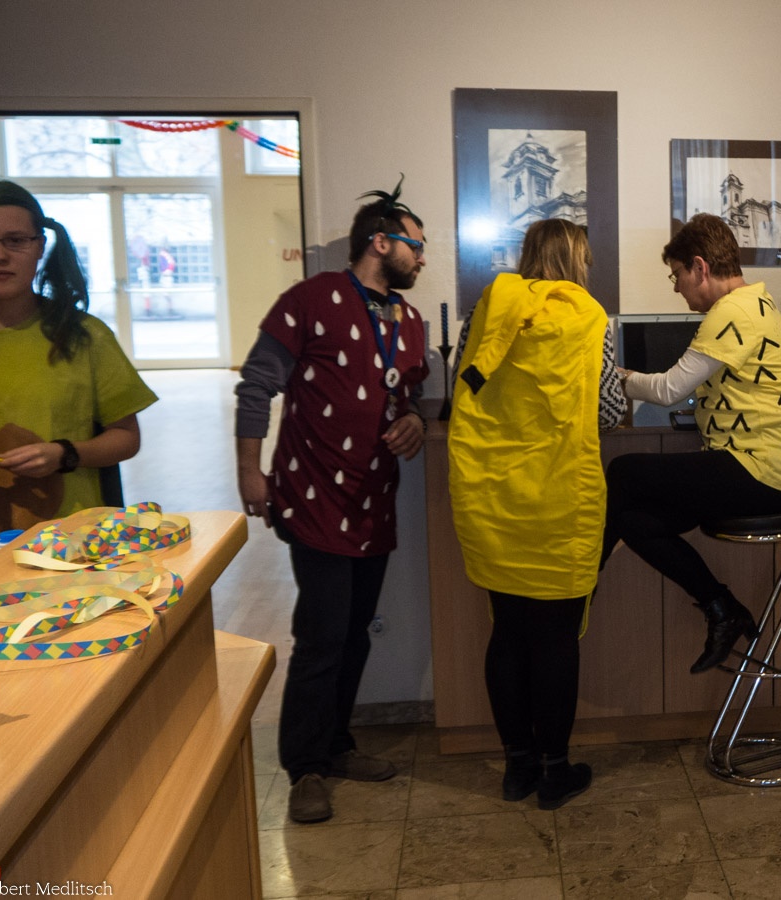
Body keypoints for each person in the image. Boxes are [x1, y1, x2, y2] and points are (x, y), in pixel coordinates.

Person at [234, 176, 429, 824]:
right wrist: (250, 471)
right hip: (314, 497)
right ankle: (305, 768)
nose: (421, 259)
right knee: (321, 637)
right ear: (381, 242)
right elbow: (257, 384)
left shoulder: (410, 321)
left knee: (354, 634)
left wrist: (413, 421)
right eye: (416, 246)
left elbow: (408, 397)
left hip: (373, 501)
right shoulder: (311, 299)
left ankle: (337, 745)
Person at [447, 219, 626, 810]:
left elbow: (463, 390)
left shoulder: (485, 311)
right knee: (555, 638)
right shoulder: (590, 319)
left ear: (528, 255)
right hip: (559, 497)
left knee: (508, 631)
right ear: (576, 260)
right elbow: (607, 412)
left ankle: (516, 768)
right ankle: (554, 772)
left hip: (493, 496)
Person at [602, 213, 781, 674]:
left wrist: (611, 377)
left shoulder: (732, 311)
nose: (676, 288)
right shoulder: (758, 304)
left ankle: (578, 585)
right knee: (633, 520)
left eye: (676, 275)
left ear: (699, 267)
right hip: (772, 471)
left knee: (623, 472)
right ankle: (722, 609)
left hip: (764, 471)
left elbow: (667, 389)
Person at [0, 180, 156, 538]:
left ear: (40, 246)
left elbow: (126, 437)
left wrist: (64, 454)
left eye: (16, 240)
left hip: (73, 541)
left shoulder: (84, 336)